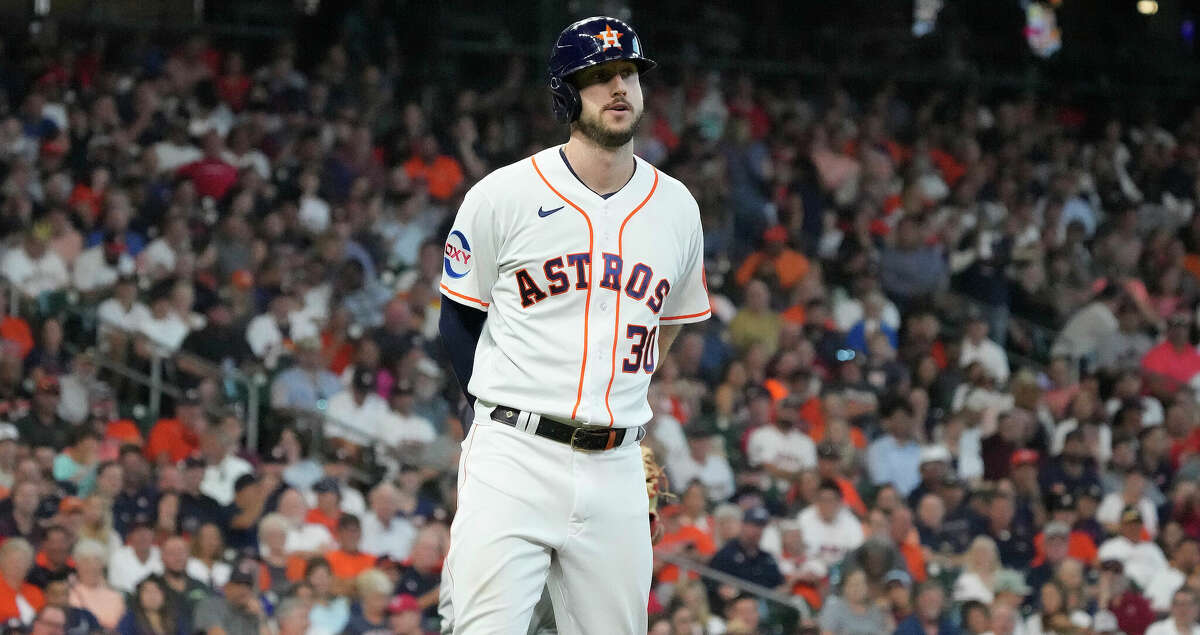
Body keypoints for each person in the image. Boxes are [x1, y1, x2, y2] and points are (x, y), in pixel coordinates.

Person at [437, 15, 710, 635]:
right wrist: (493, 407)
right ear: (566, 93)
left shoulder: (677, 206)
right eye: (598, 77)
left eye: (628, 73)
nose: (619, 88)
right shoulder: (502, 195)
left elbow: (667, 324)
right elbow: (457, 320)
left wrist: (615, 402)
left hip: (615, 465)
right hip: (514, 450)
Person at [192, 564, 269, 635]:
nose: (244, 590)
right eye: (238, 584)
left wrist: (260, 616)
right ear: (227, 587)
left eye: (248, 585)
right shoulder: (210, 605)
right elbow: (216, 633)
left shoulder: (252, 613)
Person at [67, 538, 125, 630]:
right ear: (77, 565)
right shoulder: (69, 594)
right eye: (86, 561)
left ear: (103, 565)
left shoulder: (116, 596)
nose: (92, 566)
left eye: (97, 561)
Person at [817, 568, 889, 635]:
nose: (856, 589)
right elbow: (826, 632)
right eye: (852, 584)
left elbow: (887, 631)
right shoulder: (834, 608)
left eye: (860, 584)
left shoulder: (875, 609)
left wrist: (887, 613)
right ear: (844, 587)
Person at [115, 577, 183, 635]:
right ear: (139, 596)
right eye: (147, 591)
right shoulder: (129, 619)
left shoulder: (174, 616)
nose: (152, 596)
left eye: (156, 591)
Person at [0, 538, 43, 625]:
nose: (17, 565)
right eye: (12, 560)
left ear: (30, 565)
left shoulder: (36, 593)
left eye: (22, 561)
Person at [895, 581, 961, 635]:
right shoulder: (905, 630)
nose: (932, 605)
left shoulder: (951, 628)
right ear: (918, 602)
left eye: (936, 600)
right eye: (928, 600)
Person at [341, 569, 391, 634]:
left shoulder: (393, 620)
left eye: (386, 597)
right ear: (365, 598)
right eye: (378, 598)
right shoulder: (353, 624)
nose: (383, 603)